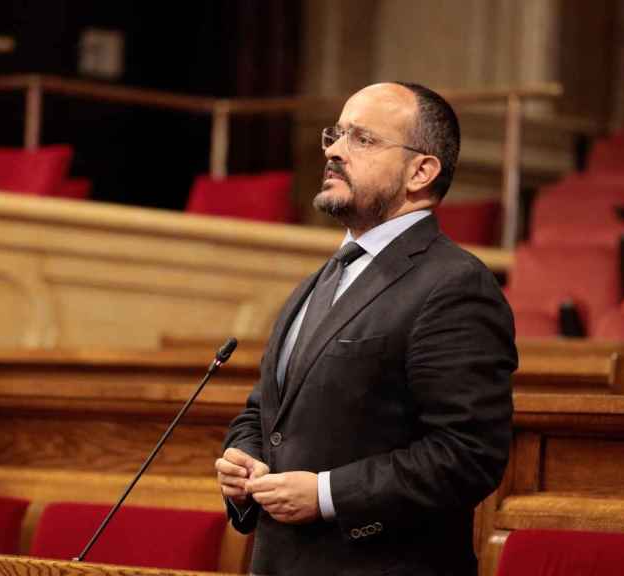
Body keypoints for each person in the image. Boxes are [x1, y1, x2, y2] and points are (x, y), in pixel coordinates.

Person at [215, 82, 517, 575]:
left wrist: (327, 495)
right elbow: (264, 413)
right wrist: (243, 458)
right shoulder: (319, 281)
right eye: (334, 135)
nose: (333, 150)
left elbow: (467, 455)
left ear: (421, 171)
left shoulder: (455, 285)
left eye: (362, 139)